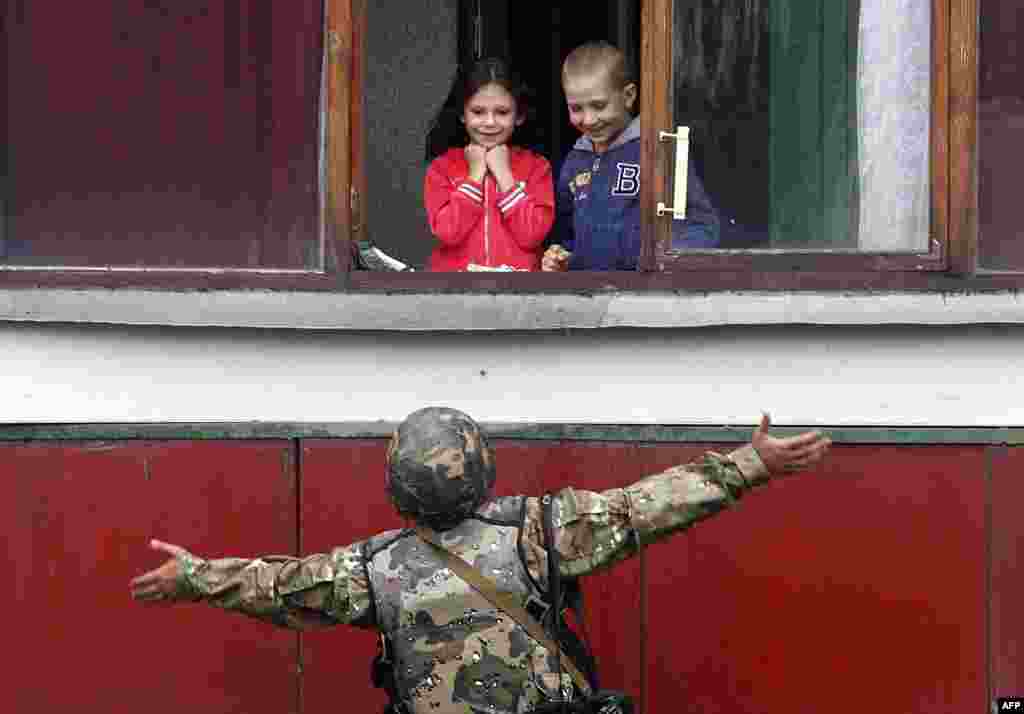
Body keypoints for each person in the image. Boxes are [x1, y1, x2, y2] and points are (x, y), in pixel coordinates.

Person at [130, 407, 829, 714]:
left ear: (396, 483)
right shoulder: (542, 532)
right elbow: (644, 506)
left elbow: (279, 587)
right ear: (482, 467)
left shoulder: (371, 571)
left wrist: (196, 575)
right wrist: (747, 465)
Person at [543, 41, 720, 272]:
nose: (588, 119)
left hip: (646, 295)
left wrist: (661, 262)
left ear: (628, 96)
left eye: (598, 105)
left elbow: (704, 226)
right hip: (587, 298)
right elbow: (569, 235)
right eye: (576, 109)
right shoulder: (575, 162)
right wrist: (563, 258)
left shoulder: (658, 149)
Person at [423, 58, 555, 272]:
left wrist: (504, 175)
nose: (490, 122)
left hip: (520, 291)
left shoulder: (537, 168)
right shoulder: (442, 168)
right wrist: (474, 176)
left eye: (502, 112)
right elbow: (448, 232)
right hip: (455, 290)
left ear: (519, 115)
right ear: (461, 114)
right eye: (478, 112)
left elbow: (532, 235)